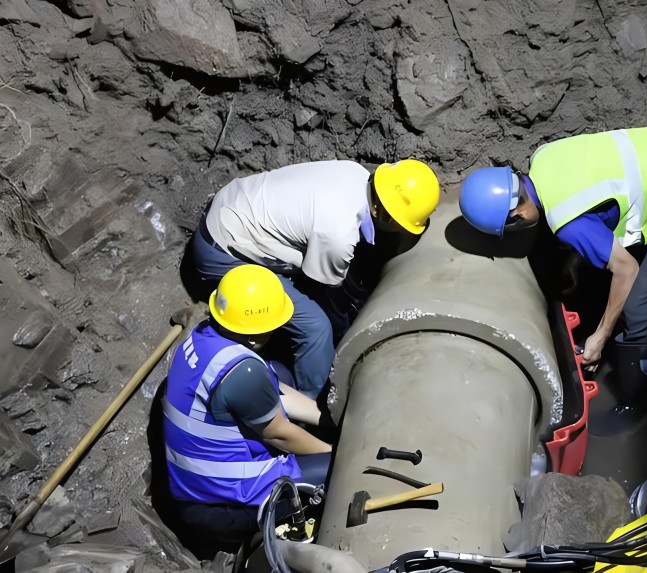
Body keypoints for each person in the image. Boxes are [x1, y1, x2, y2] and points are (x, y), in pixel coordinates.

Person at [458, 127, 647, 396]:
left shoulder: (567, 222)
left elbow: (627, 268)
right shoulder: (543, 156)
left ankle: (634, 403)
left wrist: (600, 336)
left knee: (638, 310)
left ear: (515, 214)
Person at [191, 159, 440, 399]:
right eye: (403, 225)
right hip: (222, 250)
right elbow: (325, 292)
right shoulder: (338, 235)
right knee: (316, 328)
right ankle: (311, 406)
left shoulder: (355, 173)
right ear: (383, 214)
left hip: (234, 207)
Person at [162, 264, 333, 549]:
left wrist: (326, 419)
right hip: (223, 506)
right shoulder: (243, 373)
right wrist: (335, 451)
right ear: (256, 333)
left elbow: (275, 387)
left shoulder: (205, 335)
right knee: (333, 470)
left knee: (279, 370)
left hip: (192, 487)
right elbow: (279, 434)